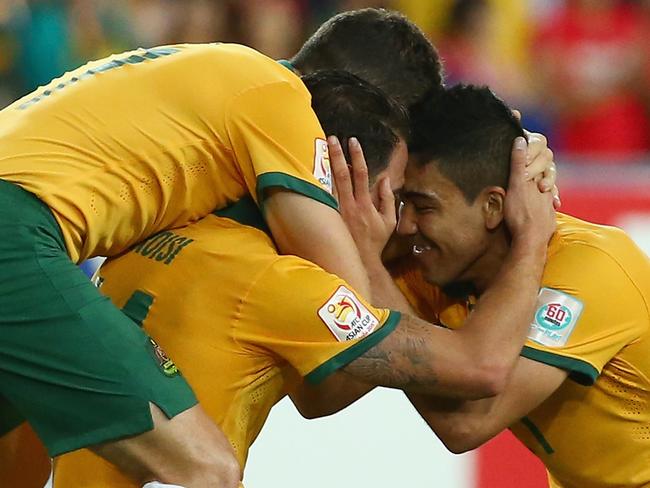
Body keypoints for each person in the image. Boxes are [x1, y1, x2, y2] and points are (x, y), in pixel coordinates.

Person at [48, 69, 557, 486]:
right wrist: (531, 237)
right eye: (397, 194)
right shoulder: (277, 284)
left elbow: (321, 394)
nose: (401, 220)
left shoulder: (174, 230)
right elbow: (479, 368)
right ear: (344, 176)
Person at [0, 39, 396, 486]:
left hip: (20, 231)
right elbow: (354, 342)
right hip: (12, 234)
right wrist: (368, 250)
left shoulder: (209, 66)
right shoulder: (281, 96)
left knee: (18, 469)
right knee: (207, 468)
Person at [387, 85, 649, 488]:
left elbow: (467, 422)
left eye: (423, 207)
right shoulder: (440, 265)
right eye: (401, 204)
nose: (405, 226)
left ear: (493, 206)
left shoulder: (591, 271)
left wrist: (369, 281)